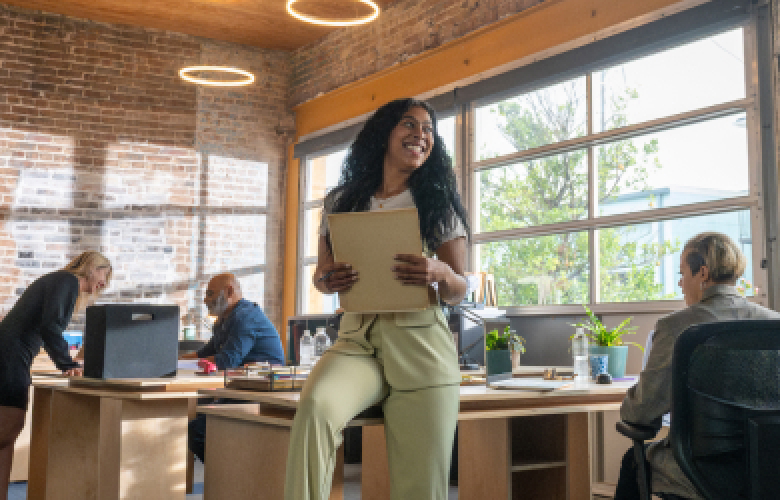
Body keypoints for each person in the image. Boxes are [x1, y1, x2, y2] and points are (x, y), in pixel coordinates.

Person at [284, 98, 471, 500]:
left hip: (422, 348)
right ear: (383, 133)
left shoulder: (437, 204)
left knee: (420, 488)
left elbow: (460, 288)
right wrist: (327, 280)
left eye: (428, 129)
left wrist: (440, 273)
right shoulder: (342, 201)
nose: (420, 135)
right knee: (315, 409)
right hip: (356, 342)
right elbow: (322, 275)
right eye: (409, 124)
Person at [614, 232, 780, 500]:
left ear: (702, 273)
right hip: (768, 469)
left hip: (697, 471)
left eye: (682, 274)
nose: (680, 284)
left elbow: (640, 414)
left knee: (632, 461)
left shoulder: (677, 327)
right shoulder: (774, 324)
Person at [0, 251, 112, 499]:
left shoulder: (59, 281)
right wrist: (66, 364)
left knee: (6, 437)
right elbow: (50, 327)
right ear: (93, 266)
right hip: (9, 355)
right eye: (105, 274)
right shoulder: (67, 280)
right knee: (7, 429)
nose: (104, 283)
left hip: (11, 353)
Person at [182, 272, 285, 463]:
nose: (206, 300)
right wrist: (173, 361)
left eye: (210, 294)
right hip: (242, 391)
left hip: (262, 396)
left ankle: (228, 475)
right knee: (193, 426)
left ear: (229, 291)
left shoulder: (245, 317)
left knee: (197, 430)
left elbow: (226, 361)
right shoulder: (224, 320)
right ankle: (227, 475)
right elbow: (203, 353)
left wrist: (182, 364)